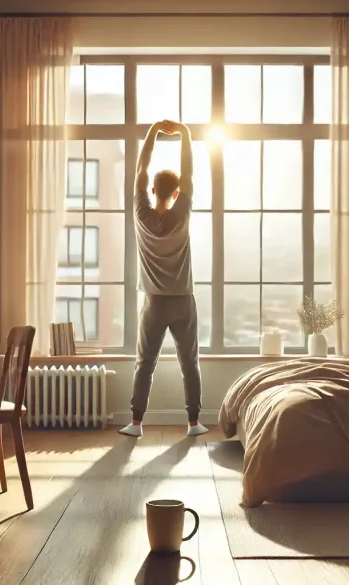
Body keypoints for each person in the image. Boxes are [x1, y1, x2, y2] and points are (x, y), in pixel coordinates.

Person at [119, 120, 208, 439]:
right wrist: (184, 133)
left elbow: (141, 170)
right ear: (177, 192)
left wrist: (154, 131)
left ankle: (136, 424)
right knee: (190, 363)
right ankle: (194, 424)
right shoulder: (182, 212)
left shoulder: (141, 213)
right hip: (183, 300)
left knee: (145, 364)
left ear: (154, 191)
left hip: (154, 303)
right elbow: (190, 173)